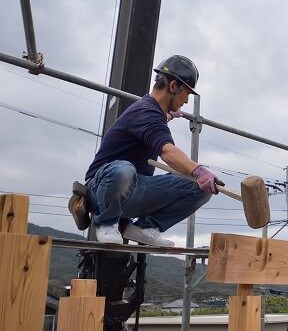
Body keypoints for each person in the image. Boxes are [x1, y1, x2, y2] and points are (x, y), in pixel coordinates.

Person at [70, 55, 223, 247]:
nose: (186, 100)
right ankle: (106, 223)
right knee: (123, 170)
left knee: (199, 188)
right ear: (173, 86)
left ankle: (145, 228)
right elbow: (167, 152)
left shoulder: (153, 114)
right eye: (187, 93)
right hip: (101, 189)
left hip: (134, 190)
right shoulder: (145, 111)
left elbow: (150, 129)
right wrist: (198, 171)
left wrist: (166, 116)